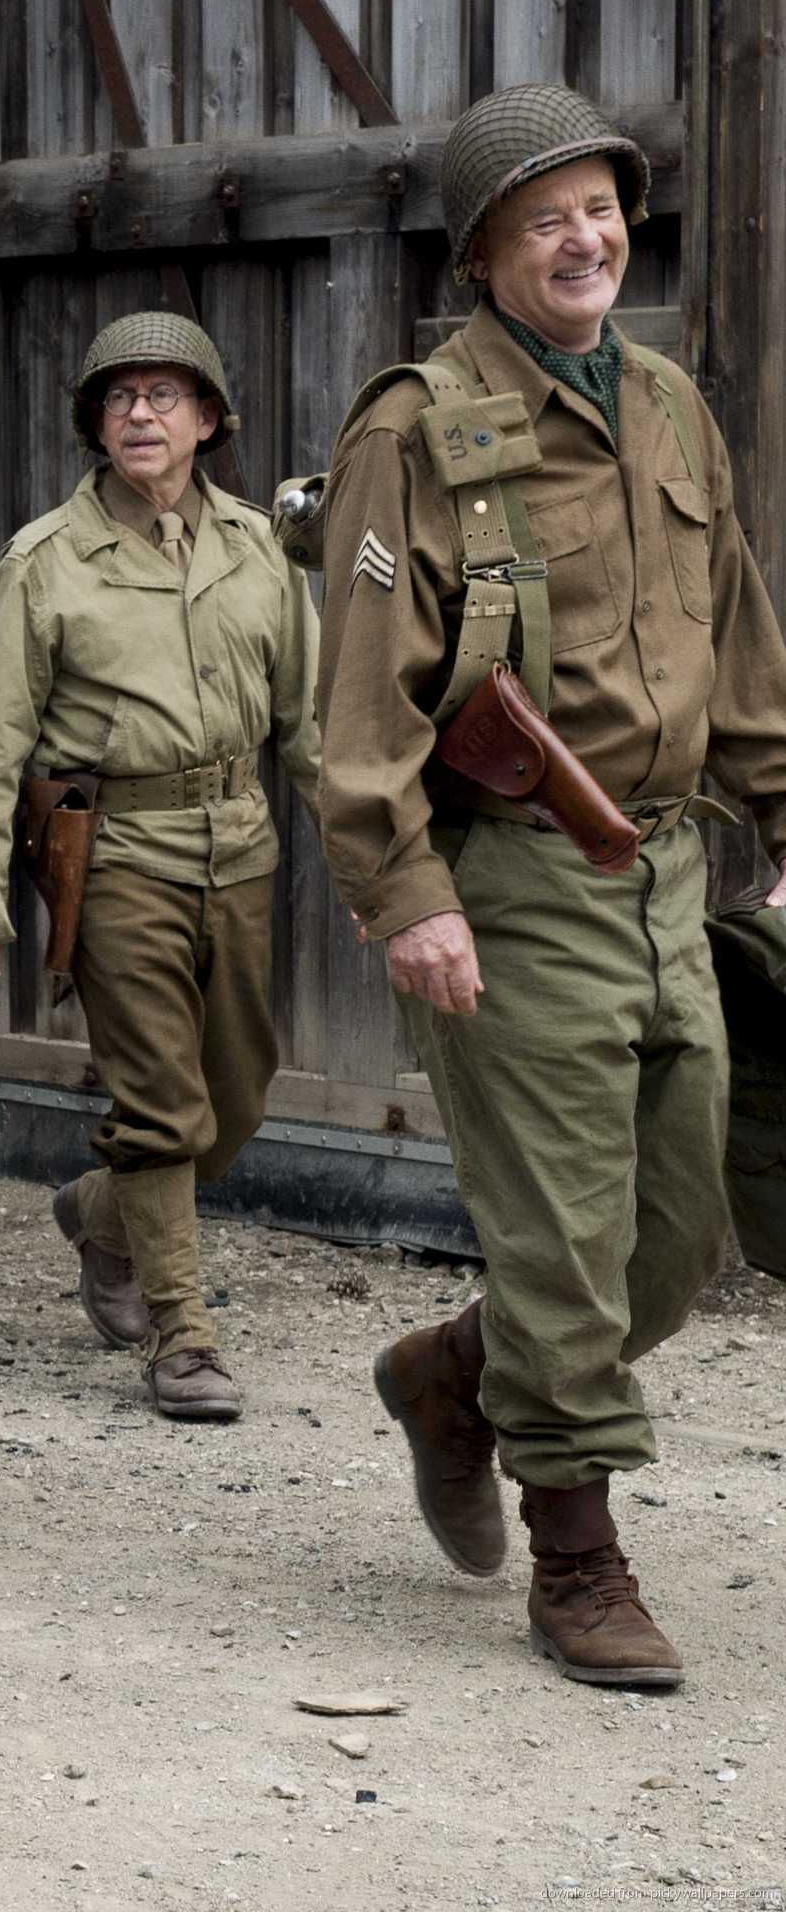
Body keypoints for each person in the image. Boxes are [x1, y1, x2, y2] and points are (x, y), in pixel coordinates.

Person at [316, 82, 786, 1687]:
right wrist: (407, 892)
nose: (584, 241)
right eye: (544, 221)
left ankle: (455, 1374)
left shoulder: (666, 403)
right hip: (514, 882)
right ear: (483, 253)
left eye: (598, 210)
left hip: (668, 873)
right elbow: (362, 696)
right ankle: (578, 1558)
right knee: (564, 1239)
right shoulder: (416, 431)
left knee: (673, 1241)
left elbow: (737, 637)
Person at [0, 314, 320, 1422]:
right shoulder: (44, 562)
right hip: (112, 857)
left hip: (237, 846)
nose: (140, 414)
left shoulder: (259, 548)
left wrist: (380, 868)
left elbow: (307, 726)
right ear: (95, 425)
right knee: (160, 1101)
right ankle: (184, 1334)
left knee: (233, 1099)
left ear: (206, 420)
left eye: (164, 395)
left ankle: (100, 1210)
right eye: (118, 398)